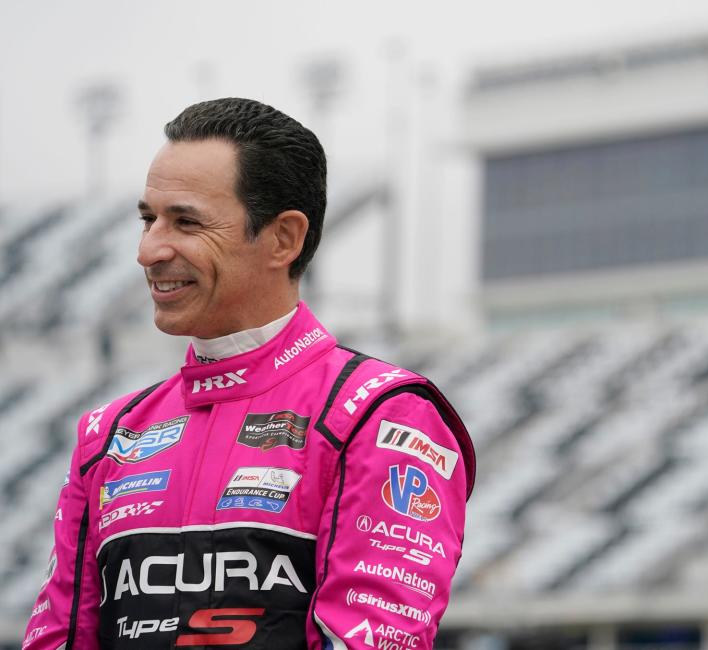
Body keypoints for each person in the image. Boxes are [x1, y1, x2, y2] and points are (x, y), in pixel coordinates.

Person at [23, 98, 475, 650]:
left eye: (186, 222)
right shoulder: (109, 434)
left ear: (283, 239)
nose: (148, 250)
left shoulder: (378, 415)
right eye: (148, 220)